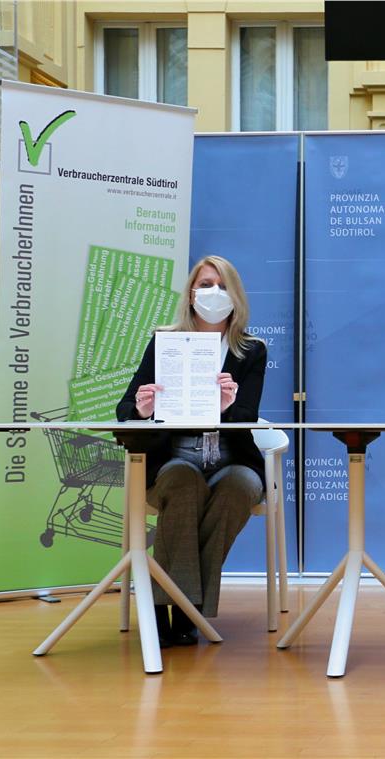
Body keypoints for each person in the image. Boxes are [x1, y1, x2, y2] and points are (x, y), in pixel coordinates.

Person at [117, 255, 267, 647]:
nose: (214, 293)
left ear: (236, 296)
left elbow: (247, 416)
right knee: (184, 483)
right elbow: (124, 408)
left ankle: (177, 606)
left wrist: (227, 407)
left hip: (230, 458)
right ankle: (179, 606)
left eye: (222, 286)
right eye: (205, 284)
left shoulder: (251, 350)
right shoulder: (164, 342)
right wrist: (143, 409)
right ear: (190, 294)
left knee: (239, 488)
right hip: (174, 458)